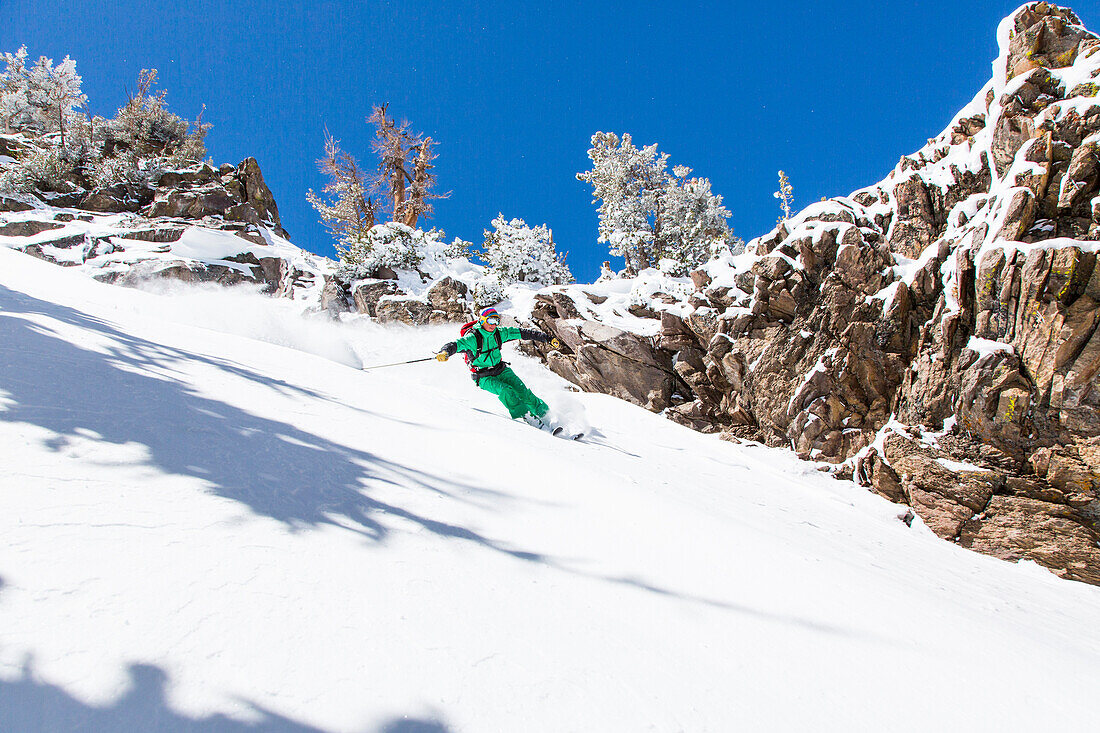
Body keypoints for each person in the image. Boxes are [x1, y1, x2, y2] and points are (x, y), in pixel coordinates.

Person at [436, 307, 562, 430]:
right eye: (490, 321)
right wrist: (445, 352)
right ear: (482, 320)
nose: (493, 324)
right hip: (483, 376)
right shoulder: (473, 338)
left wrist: (547, 338)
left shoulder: (499, 333)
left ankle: (547, 416)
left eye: (496, 321)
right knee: (506, 390)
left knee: (523, 392)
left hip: (501, 370)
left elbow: (523, 333)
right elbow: (455, 345)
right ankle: (528, 417)